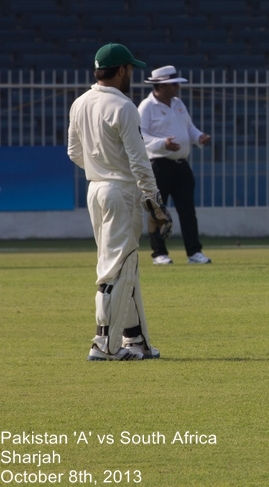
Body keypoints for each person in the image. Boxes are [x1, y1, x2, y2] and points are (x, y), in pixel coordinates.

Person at [68, 42, 172, 361]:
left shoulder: (80, 103)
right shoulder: (124, 106)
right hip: (120, 192)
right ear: (122, 70)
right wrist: (154, 202)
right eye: (131, 70)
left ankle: (135, 339)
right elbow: (140, 161)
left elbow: (74, 152)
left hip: (95, 189)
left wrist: (101, 170)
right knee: (115, 269)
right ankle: (104, 345)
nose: (132, 75)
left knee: (126, 265)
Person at [138, 65, 212, 265]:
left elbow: (189, 128)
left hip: (181, 165)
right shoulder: (146, 106)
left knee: (188, 211)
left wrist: (199, 137)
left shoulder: (178, 103)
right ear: (160, 86)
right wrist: (163, 144)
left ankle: (194, 253)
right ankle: (159, 253)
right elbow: (140, 136)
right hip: (158, 166)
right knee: (158, 211)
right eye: (173, 84)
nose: (176, 88)